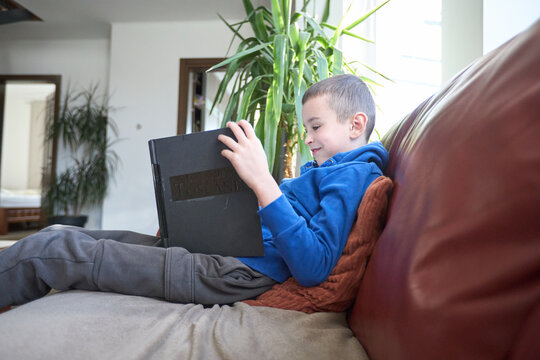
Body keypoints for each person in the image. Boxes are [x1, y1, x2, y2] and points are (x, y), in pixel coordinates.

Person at [0, 74, 388, 308]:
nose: (308, 139)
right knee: (59, 234)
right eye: (306, 128)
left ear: (356, 125)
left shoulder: (352, 175)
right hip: (229, 252)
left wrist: (263, 182)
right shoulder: (327, 171)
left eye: (316, 127)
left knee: (51, 252)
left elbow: (313, 266)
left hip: (237, 272)